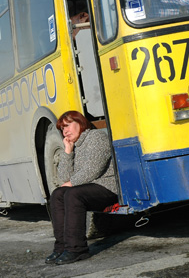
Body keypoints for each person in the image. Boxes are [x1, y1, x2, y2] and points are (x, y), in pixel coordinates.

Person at [45, 111, 118, 265]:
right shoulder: (75, 145)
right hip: (87, 188)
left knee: (72, 194)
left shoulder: (96, 138)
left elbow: (93, 169)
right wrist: (68, 151)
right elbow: (65, 177)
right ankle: (61, 247)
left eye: (68, 125)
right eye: (62, 128)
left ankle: (77, 250)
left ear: (80, 123)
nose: (65, 131)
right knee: (58, 193)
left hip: (106, 187)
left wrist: (71, 183)